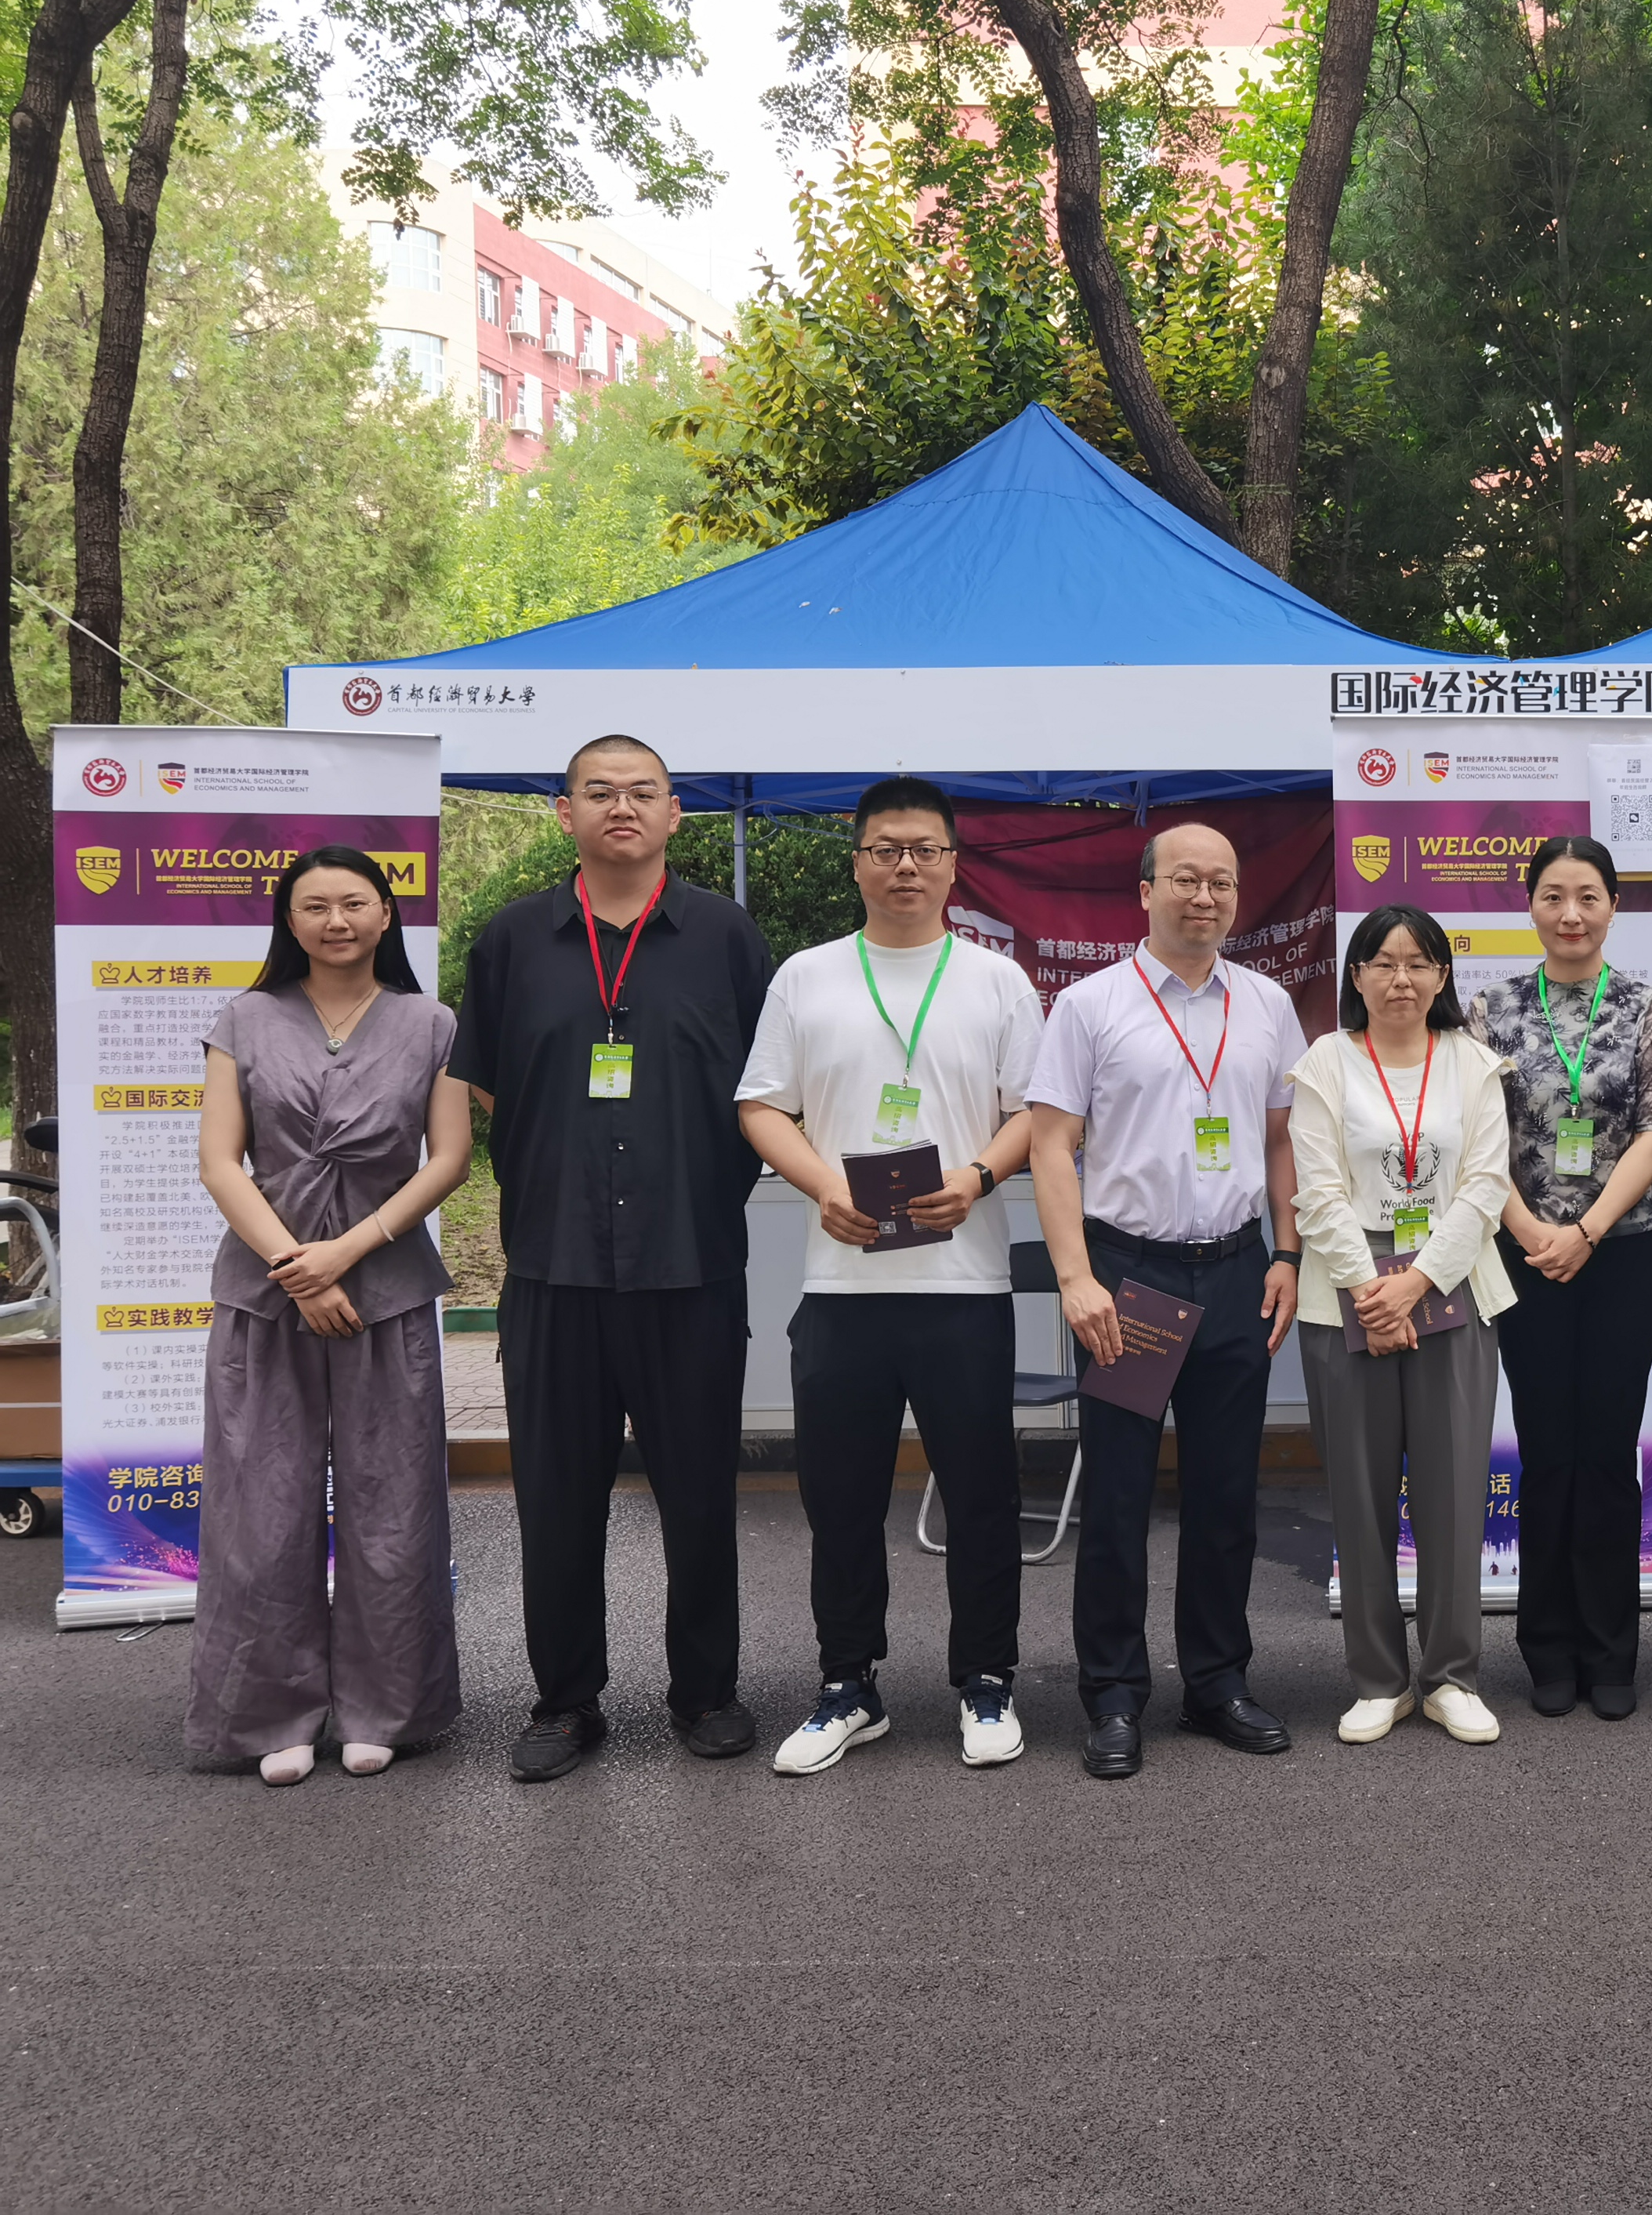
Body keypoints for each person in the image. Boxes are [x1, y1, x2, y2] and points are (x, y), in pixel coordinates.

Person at [451, 736, 773, 1782]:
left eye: (642, 793)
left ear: (675, 813)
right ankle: (564, 1702)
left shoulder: (726, 937)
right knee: (555, 1502)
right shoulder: (513, 940)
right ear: (566, 813)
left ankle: (706, 1692)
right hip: (554, 1268)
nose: (620, 807)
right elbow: (487, 1080)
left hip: (691, 1262)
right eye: (599, 792)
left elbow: (767, 1086)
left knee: (699, 1495)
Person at [735, 778, 1046, 1777]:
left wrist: (979, 1176)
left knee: (982, 1495)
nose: (905, 866)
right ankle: (847, 1685)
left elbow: (1034, 1113)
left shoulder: (998, 980)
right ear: (858, 862)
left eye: (924, 850)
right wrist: (825, 1186)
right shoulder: (807, 976)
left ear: (954, 864)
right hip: (842, 1285)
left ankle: (986, 1679)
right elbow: (761, 1105)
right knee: (840, 1500)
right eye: (885, 849)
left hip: (965, 1287)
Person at [1025, 821, 1308, 1781]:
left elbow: (1281, 1139)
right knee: (1117, 1495)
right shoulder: (1090, 1005)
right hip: (1131, 1277)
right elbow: (1050, 1144)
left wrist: (1287, 1252)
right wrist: (1076, 1277)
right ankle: (1112, 1695)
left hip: (1235, 1271)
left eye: (1221, 882)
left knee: (1227, 1493)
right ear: (1144, 891)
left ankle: (1217, 1683)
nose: (1204, 896)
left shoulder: (1266, 1004)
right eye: (1185, 879)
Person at [188, 848, 469, 1784]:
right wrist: (298, 1271)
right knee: (260, 1509)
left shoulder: (432, 1023)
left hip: (386, 1292)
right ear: (288, 920)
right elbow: (221, 1161)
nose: (336, 920)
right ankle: (271, 1715)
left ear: (387, 914)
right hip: (263, 1297)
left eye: (355, 903)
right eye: (315, 906)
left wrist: (345, 1255)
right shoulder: (244, 1018)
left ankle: (387, 1707)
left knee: (395, 1506)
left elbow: (449, 1159)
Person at [1291, 907, 1516, 1745]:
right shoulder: (1324, 1063)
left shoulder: (1474, 1064)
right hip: (1344, 1292)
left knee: (1455, 1494)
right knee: (1360, 1495)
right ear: (1355, 975)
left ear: (1442, 976)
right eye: (1382, 963)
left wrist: (1415, 1283)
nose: (1400, 979)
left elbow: (1486, 1187)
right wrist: (1369, 1290)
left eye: (1419, 963)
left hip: (1450, 1286)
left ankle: (1451, 1677)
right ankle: (1379, 1681)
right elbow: (1316, 1190)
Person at [1469, 837, 1652, 1721]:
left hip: (1622, 1253)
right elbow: (1477, 1138)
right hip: (1523, 1254)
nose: (1571, 913)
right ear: (1530, 906)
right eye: (1553, 896)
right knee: (1547, 1450)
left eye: (1588, 896)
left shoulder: (1646, 1006)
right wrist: (1532, 1231)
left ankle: (1610, 1650)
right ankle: (1548, 1647)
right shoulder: (1491, 1009)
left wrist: (1586, 1232)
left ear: (1612, 908)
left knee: (1607, 1450)